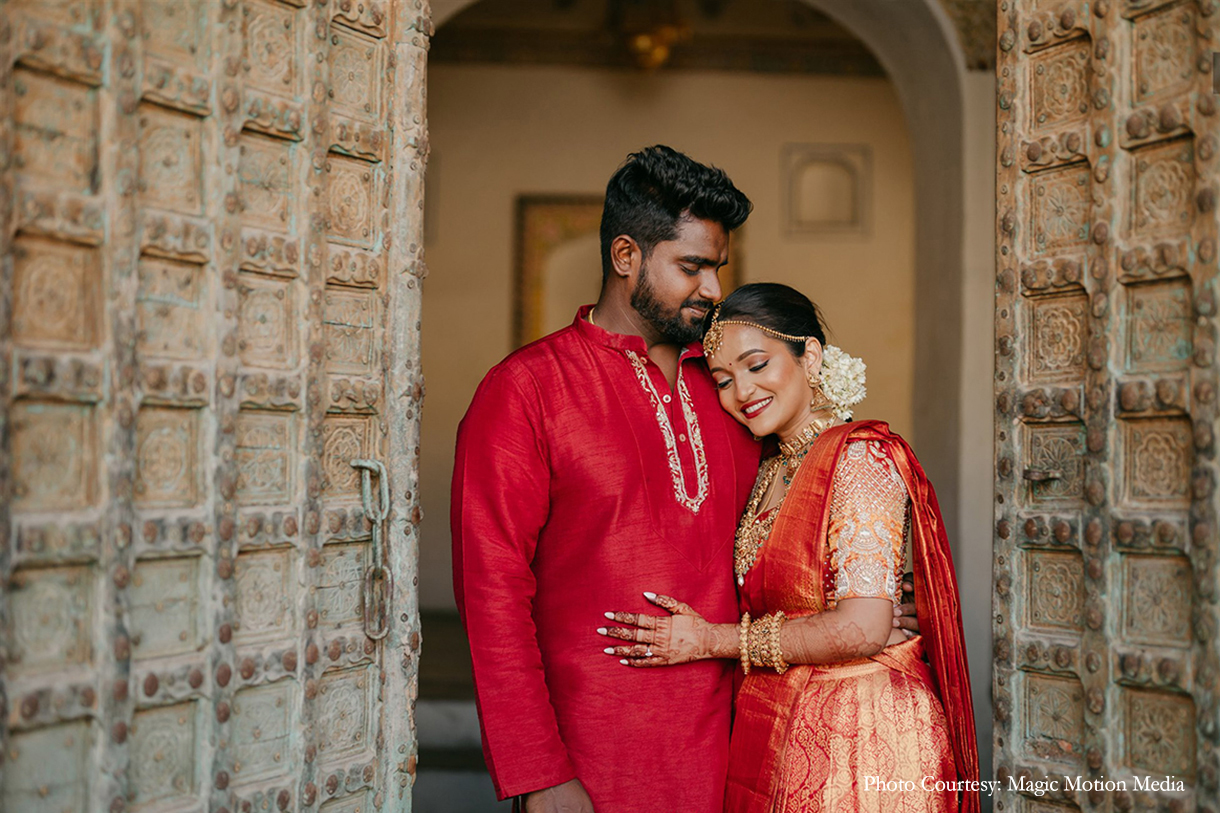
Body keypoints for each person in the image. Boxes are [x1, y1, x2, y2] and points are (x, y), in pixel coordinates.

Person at [452, 148, 918, 813]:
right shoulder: (528, 390)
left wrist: (865, 601)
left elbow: (796, 518)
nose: (711, 290)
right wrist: (539, 772)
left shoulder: (732, 395)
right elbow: (491, 590)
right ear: (625, 256)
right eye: (691, 266)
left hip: (745, 749)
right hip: (593, 758)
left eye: (717, 269)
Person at [599, 283, 979, 812]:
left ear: (812, 355)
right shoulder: (769, 469)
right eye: (724, 380)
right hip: (780, 720)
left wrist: (709, 640)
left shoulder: (860, 458)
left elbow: (863, 627)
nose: (741, 392)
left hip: (860, 736)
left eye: (757, 364)